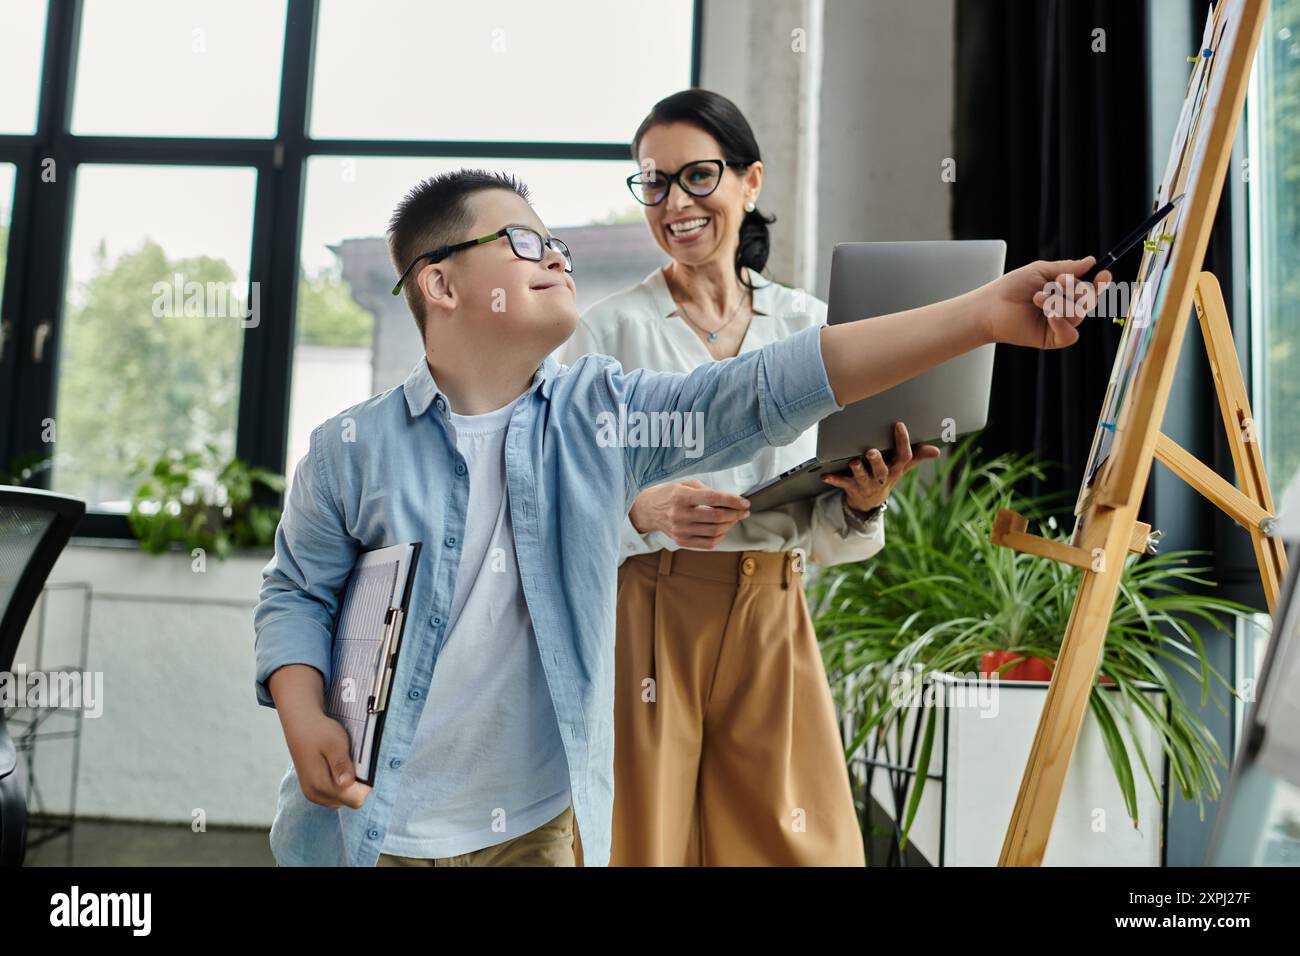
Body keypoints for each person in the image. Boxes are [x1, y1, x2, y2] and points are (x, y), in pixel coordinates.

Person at [253, 167, 1110, 867]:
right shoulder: (350, 450)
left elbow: (764, 389)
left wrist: (981, 314)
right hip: (366, 829)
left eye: (554, 241)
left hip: (533, 833)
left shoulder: (600, 416)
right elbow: (296, 594)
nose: (554, 256)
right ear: (438, 283)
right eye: (522, 242)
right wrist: (303, 714)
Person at [555, 88, 939, 865]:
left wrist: (864, 505)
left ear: (749, 182)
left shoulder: (811, 326)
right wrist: (645, 509)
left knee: (803, 847)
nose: (674, 202)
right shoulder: (606, 334)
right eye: (653, 182)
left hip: (774, 605)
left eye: (697, 176)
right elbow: (560, 501)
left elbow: (832, 531)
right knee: (644, 845)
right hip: (651, 613)